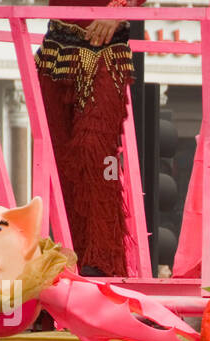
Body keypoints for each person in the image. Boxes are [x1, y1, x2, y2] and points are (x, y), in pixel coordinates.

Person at [34, 0, 144, 278]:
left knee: (96, 152)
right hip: (55, 53)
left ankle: (103, 261)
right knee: (60, 166)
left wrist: (118, 8)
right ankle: (70, 262)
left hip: (106, 50)